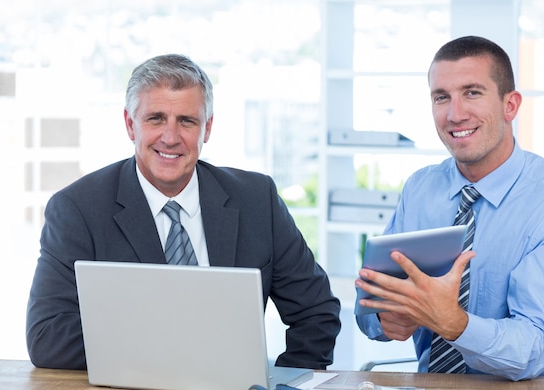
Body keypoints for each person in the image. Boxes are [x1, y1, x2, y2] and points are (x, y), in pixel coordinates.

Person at [26, 54, 341, 370]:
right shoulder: (78, 209)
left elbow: (316, 312)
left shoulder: (257, 200)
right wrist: (168, 350)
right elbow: (48, 337)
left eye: (187, 121)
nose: (171, 137)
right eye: (156, 118)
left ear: (207, 128)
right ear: (130, 124)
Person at [355, 36, 544, 381]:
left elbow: (533, 349)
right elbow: (367, 304)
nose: (455, 114)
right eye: (442, 97)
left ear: (510, 105)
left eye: (472, 93)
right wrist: (385, 318)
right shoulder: (420, 189)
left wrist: (454, 324)